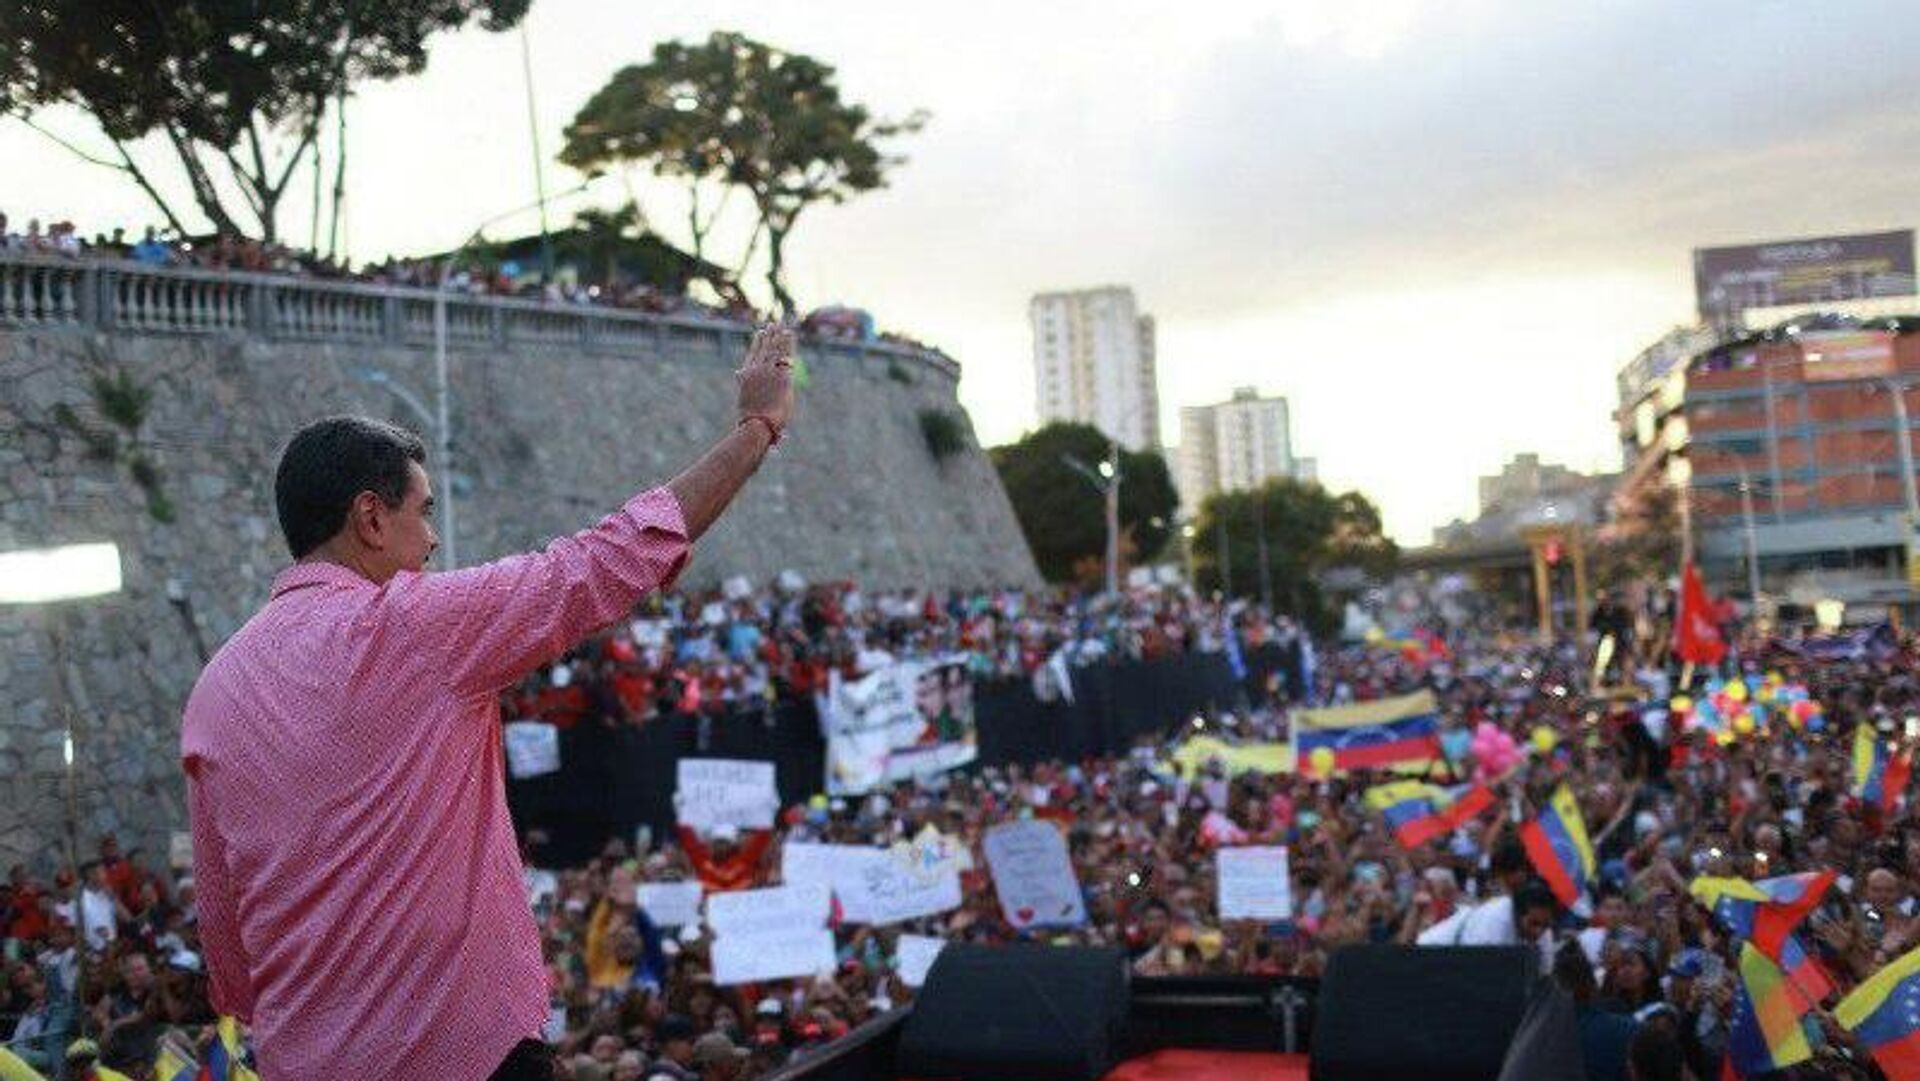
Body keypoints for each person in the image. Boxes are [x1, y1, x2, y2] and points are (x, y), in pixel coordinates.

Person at [179, 326, 795, 1081]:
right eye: (424, 511)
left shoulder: (212, 691)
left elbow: (229, 948)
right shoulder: (412, 627)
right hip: (467, 1055)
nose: (433, 538)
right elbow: (605, 561)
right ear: (371, 518)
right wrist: (755, 429)